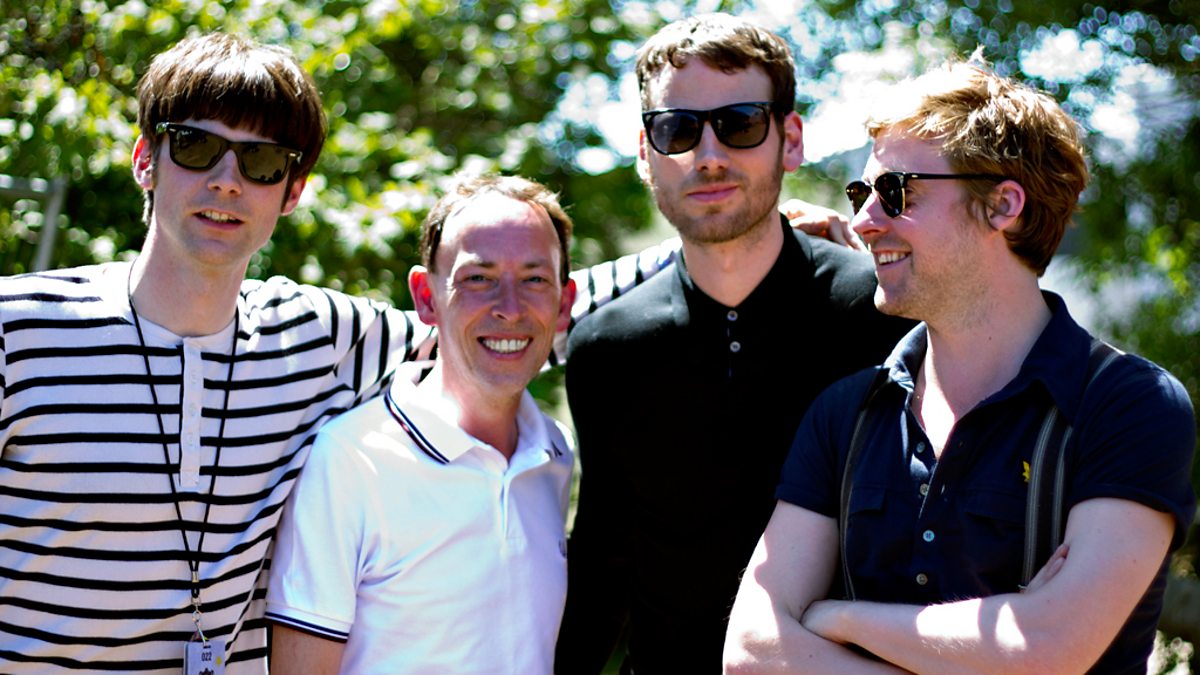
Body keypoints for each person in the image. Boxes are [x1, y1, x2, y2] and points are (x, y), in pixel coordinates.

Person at [0, 32, 673, 674]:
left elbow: (503, 322)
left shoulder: (314, 337)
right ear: (146, 159)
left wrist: (710, 242)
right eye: (197, 146)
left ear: (292, 191)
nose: (228, 180)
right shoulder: (18, 332)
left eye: (262, 161)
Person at [723, 57, 1196, 674]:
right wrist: (1003, 640)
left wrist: (836, 618)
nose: (864, 221)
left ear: (1002, 205)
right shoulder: (846, 413)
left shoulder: (1127, 405)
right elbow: (751, 653)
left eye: (897, 191)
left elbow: (1047, 649)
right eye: (861, 194)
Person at [556, 14, 913, 673]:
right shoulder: (606, 347)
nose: (709, 155)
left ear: (790, 139)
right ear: (645, 153)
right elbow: (603, 560)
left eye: (740, 123)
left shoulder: (885, 317)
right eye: (677, 129)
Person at [265, 174, 577, 674]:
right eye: (479, 278)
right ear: (427, 297)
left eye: (535, 279)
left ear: (564, 302)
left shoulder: (554, 453)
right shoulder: (350, 460)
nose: (510, 308)